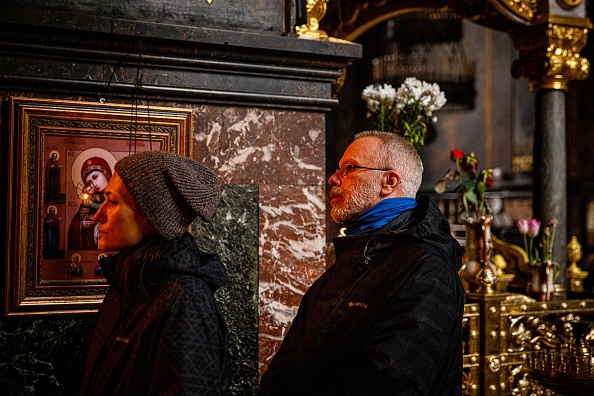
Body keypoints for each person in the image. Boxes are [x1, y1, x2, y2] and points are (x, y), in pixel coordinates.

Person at [259, 131, 465, 395]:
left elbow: (389, 382)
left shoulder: (427, 268)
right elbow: (286, 366)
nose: (333, 179)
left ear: (389, 181)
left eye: (350, 169)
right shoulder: (353, 254)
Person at [79, 150, 229, 396]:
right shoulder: (128, 279)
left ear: (152, 217)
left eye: (113, 202)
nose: (98, 215)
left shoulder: (185, 301)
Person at [68, 157, 112, 250]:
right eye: (89, 183)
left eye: (95, 177)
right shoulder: (91, 201)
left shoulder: (120, 197)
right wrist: (82, 225)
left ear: (105, 173)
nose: (94, 185)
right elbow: (76, 224)